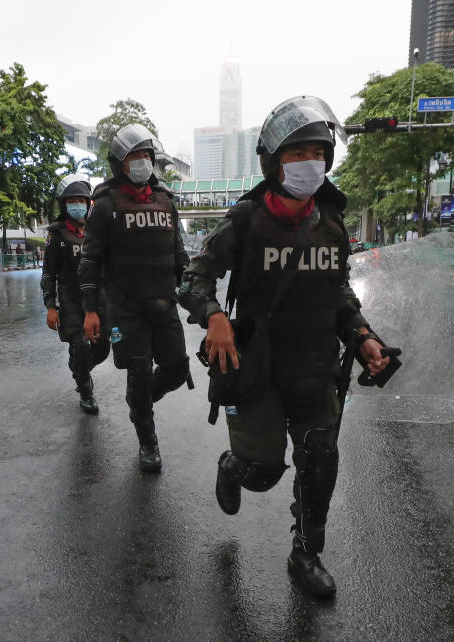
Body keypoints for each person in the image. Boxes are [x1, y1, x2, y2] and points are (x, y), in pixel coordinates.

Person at [177, 96, 392, 598]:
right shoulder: (246, 221)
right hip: (257, 370)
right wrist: (213, 316)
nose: (308, 163)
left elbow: (338, 292)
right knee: (264, 472)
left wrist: (363, 337)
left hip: (315, 369)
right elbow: (193, 277)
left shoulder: (333, 225)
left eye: (317, 152)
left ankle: (306, 552)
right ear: (274, 163)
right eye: (296, 155)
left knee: (320, 464)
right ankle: (232, 469)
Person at [78, 124, 192, 472]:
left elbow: (178, 253)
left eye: (146, 155)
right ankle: (148, 441)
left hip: (163, 302)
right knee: (139, 369)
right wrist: (90, 311)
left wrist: (192, 290)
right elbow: (90, 259)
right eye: (134, 156)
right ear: (119, 163)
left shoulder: (164, 201)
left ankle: (140, 398)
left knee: (175, 370)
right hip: (127, 307)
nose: (142, 161)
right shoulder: (106, 203)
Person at [41, 174, 110, 414]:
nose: (77, 204)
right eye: (72, 200)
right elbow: (48, 273)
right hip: (70, 299)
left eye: (82, 199)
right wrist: (50, 306)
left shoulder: (98, 229)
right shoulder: (56, 233)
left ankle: (80, 368)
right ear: (64, 203)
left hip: (99, 298)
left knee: (102, 348)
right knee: (80, 344)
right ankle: (85, 390)